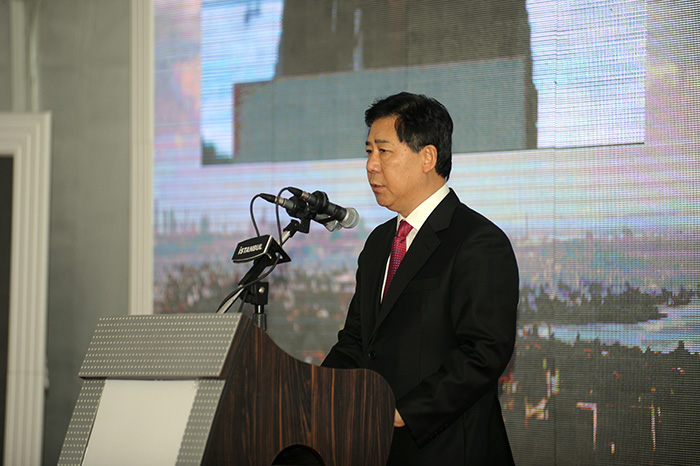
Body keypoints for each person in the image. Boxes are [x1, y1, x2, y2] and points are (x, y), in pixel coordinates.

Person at [322, 92, 519, 465]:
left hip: (447, 450)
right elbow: (357, 341)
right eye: (368, 152)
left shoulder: (477, 241)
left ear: (427, 157)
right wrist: (315, 396)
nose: (371, 166)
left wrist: (400, 413)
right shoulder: (379, 242)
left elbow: (483, 353)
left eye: (384, 151)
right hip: (376, 449)